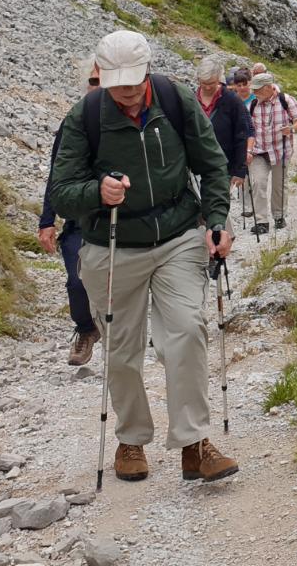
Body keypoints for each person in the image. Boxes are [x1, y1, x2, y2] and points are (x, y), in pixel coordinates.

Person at [50, 29, 239, 484]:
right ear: (104, 77)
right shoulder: (85, 117)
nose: (127, 93)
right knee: (121, 346)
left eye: (134, 81)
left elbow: (211, 163)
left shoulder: (174, 101)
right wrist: (99, 191)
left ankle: (195, 444)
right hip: (112, 245)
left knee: (188, 330)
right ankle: (131, 438)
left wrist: (216, 220)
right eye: (117, 84)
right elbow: (61, 194)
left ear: (147, 70)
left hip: (177, 235)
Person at [39, 59, 101, 367]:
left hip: (121, 221)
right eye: (92, 81)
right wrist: (47, 220)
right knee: (76, 282)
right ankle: (86, 329)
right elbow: (57, 174)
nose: (97, 87)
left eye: (102, 80)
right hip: (79, 221)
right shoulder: (74, 121)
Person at [246, 71, 297, 234]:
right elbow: (248, 129)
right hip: (259, 151)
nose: (254, 93)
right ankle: (261, 221)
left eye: (257, 90)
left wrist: (291, 128)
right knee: (257, 182)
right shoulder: (253, 105)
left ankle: (279, 216)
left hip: (281, 150)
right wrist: (248, 149)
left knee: (279, 185)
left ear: (268, 88)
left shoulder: (286, 100)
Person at [195, 55, 252, 203]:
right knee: (199, 205)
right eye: (203, 83)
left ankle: (218, 226)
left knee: (217, 204)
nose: (207, 87)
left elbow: (242, 135)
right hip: (197, 163)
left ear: (219, 79)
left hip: (224, 164)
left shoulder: (232, 100)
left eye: (212, 83)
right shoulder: (191, 99)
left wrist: (240, 170)